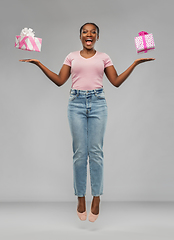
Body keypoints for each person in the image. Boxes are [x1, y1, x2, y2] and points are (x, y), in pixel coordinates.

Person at [20, 22, 155, 222]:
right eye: (85, 31)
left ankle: (97, 197)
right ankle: (81, 197)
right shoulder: (71, 56)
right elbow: (59, 80)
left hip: (98, 104)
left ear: (97, 37)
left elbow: (116, 82)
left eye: (93, 32)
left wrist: (135, 64)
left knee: (96, 153)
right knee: (80, 154)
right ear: (80, 36)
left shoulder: (104, 57)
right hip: (75, 104)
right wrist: (39, 64)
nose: (89, 34)